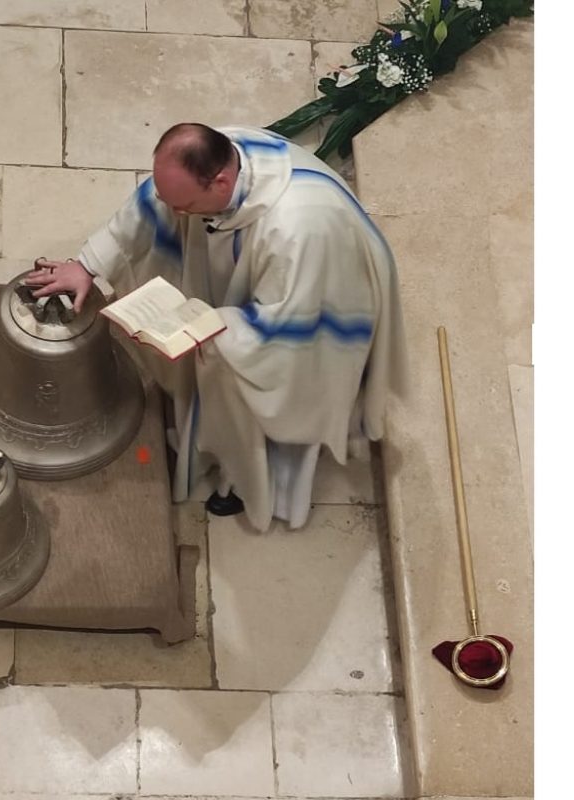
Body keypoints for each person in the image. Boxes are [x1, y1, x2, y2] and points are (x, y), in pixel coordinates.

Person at [24, 122, 404, 530]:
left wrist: (212, 325)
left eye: (184, 206)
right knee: (209, 373)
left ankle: (251, 483)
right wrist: (87, 265)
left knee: (251, 405)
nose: (176, 214)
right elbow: (151, 204)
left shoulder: (299, 230)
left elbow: (289, 329)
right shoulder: (219, 153)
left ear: (221, 181)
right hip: (258, 293)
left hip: (307, 320)